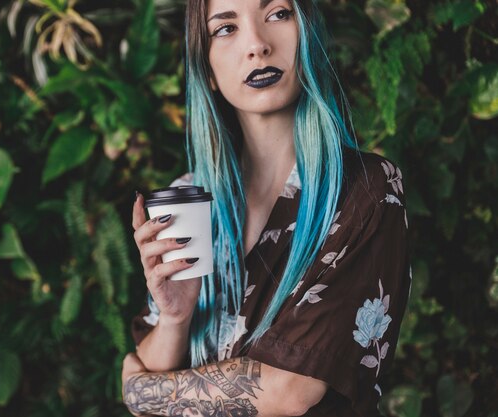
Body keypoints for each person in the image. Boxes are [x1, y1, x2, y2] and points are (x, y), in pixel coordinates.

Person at [123, 0, 411, 415]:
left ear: (306, 32)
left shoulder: (365, 190)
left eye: (277, 14)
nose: (257, 45)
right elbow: (152, 363)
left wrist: (138, 392)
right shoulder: (190, 197)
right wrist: (175, 318)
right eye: (225, 28)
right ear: (207, 70)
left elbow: (289, 391)